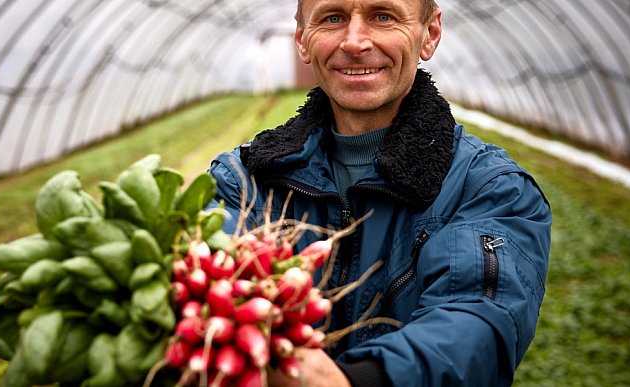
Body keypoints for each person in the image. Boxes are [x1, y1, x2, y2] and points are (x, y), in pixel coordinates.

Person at [207, 0, 552, 385]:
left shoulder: (489, 188)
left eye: (383, 16)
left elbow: (476, 323)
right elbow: (202, 293)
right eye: (333, 18)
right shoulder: (242, 181)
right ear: (303, 39)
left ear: (429, 34)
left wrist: (356, 380)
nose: (355, 42)